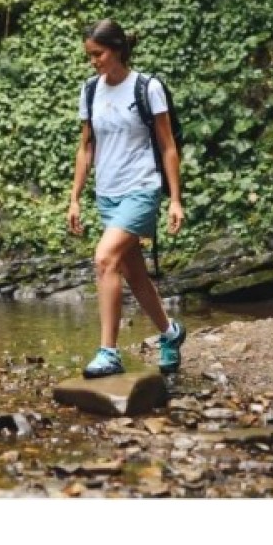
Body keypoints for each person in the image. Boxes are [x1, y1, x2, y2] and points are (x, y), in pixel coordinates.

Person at [67, 19, 187, 378]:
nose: (93, 62)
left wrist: (175, 199)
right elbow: (86, 147)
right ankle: (170, 332)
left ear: (117, 49)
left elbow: (168, 146)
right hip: (107, 193)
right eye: (89, 56)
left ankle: (109, 352)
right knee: (134, 273)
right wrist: (74, 199)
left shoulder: (147, 88)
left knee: (105, 259)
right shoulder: (90, 90)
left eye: (98, 54)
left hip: (141, 188)